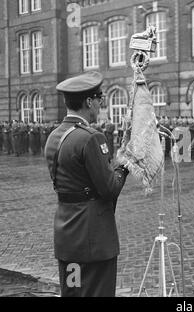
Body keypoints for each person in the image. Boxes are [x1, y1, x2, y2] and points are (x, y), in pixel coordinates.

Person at [44, 71, 130, 297]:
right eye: (99, 99)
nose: (101, 104)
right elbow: (109, 188)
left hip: (67, 234)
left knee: (72, 291)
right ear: (89, 101)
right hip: (93, 239)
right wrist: (123, 166)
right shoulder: (91, 137)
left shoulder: (54, 135)